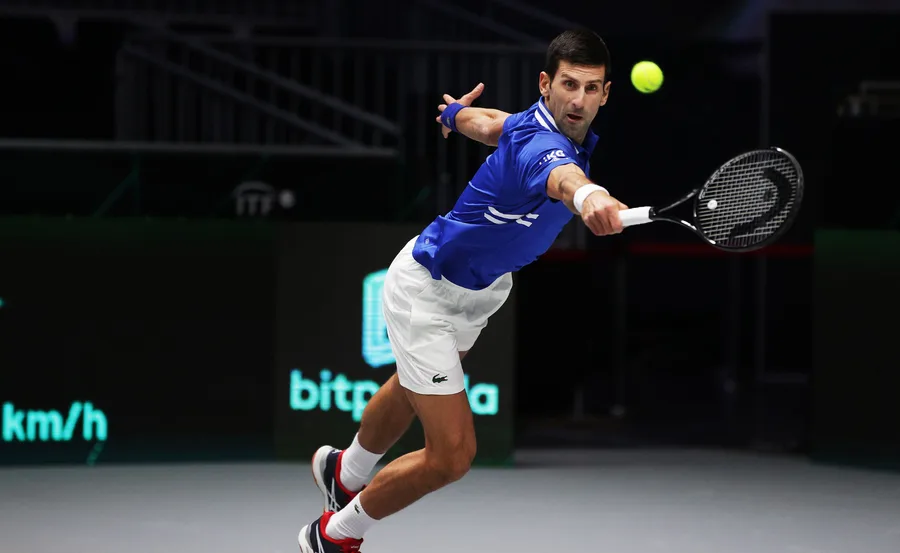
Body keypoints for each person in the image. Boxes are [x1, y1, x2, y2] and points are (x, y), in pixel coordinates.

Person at [298, 28, 628, 553]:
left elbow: (494, 124)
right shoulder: (546, 147)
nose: (578, 100)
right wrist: (588, 195)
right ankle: (333, 535)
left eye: (591, 88)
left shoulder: (530, 125)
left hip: (480, 292)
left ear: (606, 93)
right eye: (569, 85)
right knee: (452, 456)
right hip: (427, 287)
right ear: (546, 84)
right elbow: (562, 177)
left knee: (413, 385)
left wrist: (454, 116)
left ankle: (345, 470)